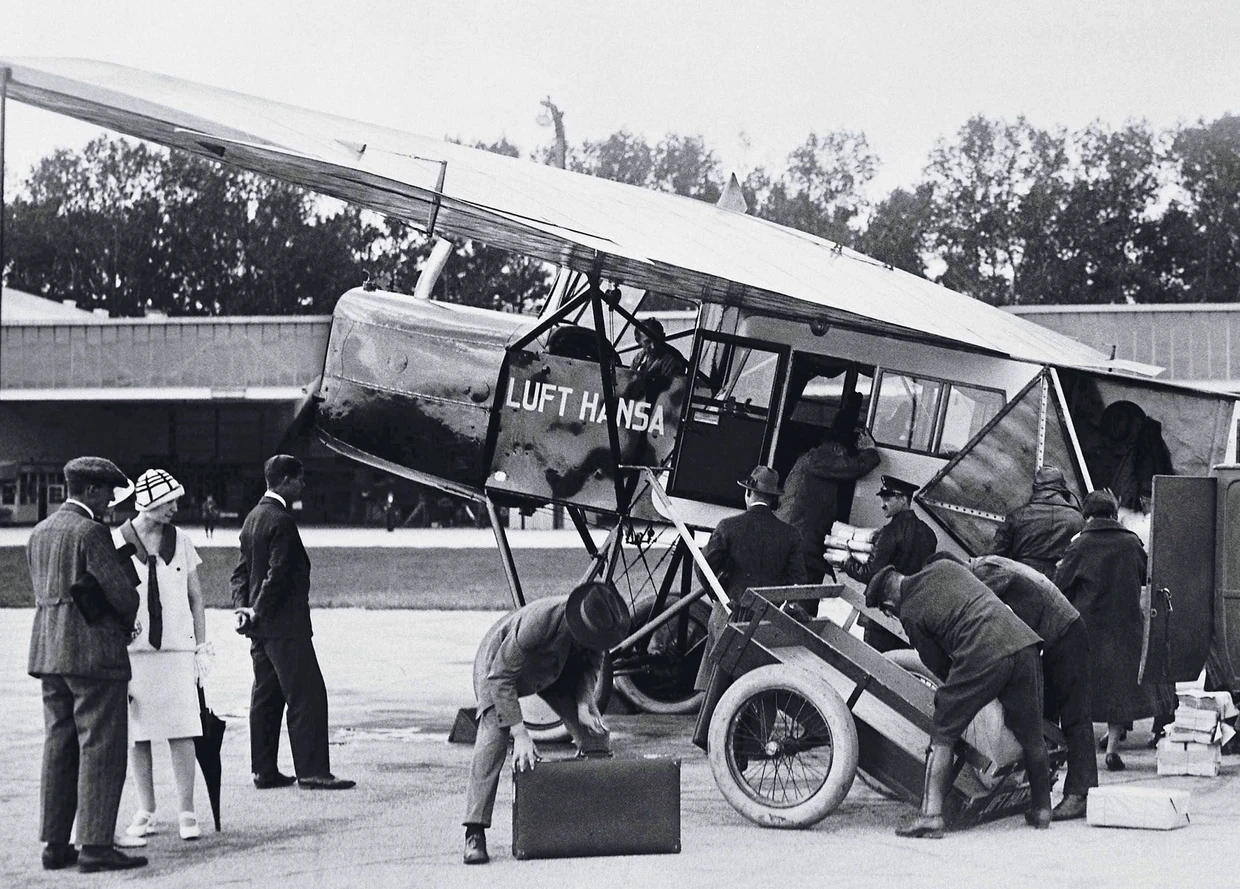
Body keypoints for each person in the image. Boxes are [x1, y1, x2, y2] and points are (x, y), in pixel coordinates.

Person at [865, 559, 1052, 838]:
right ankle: (1041, 809)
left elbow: (938, 665)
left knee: (943, 729)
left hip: (984, 651)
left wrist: (957, 696)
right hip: (1023, 642)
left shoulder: (911, 613)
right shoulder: (943, 567)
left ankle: (931, 816)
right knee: (1031, 732)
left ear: (888, 606)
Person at [27, 456, 148, 872]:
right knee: (100, 746)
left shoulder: (40, 532)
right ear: (91, 490)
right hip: (93, 653)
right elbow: (122, 596)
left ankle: (55, 844)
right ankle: (96, 846)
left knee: (59, 747)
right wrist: (127, 615)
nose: (111, 503)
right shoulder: (92, 532)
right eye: (108, 494)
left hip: (48, 650)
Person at [462, 581, 631, 865]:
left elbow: (591, 668)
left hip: (556, 674)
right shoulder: (539, 621)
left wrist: (582, 705)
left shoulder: (602, 626)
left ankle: (593, 821)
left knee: (595, 737)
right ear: (578, 624)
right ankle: (474, 832)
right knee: (493, 739)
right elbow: (501, 679)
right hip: (501, 674)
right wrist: (521, 735)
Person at [932, 551, 1096, 820]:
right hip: (1056, 633)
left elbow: (1026, 601)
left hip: (1065, 633)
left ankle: (1080, 794)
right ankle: (1041, 792)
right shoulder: (983, 568)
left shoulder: (984, 572)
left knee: (1074, 717)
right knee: (1043, 717)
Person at [231, 455, 354, 791]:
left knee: (267, 697)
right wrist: (257, 610)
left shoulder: (253, 518)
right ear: (285, 480)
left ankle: (264, 770)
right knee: (308, 695)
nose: (303, 484)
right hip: (284, 626)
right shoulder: (281, 521)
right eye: (300, 479)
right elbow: (279, 574)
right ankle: (313, 770)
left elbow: (241, 572)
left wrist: (243, 609)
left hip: (261, 629)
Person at [115, 469, 212, 842]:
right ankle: (147, 809)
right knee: (138, 734)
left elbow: (196, 597)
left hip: (175, 650)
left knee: (182, 730)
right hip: (134, 655)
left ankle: (187, 810)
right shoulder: (118, 541)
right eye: (169, 500)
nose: (176, 507)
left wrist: (201, 646)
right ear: (150, 503)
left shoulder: (182, 540)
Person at [1054, 489, 1175, 772]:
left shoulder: (1079, 546)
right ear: (1113, 513)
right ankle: (1111, 750)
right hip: (1125, 627)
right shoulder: (1130, 543)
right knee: (1118, 690)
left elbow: (1061, 585)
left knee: (1083, 689)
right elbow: (1149, 574)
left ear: (1087, 514)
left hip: (1087, 628)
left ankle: (1074, 750)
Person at [694, 465, 807, 691]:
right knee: (758, 687)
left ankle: (713, 724)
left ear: (748, 493)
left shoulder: (728, 527)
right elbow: (798, 580)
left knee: (717, 690)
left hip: (729, 612)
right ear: (773, 499)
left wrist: (716, 595)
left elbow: (704, 566)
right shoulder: (790, 534)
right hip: (765, 619)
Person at [776, 426, 880, 597]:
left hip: (794, 538)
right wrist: (870, 451)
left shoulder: (809, 459)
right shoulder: (819, 459)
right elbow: (853, 467)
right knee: (802, 602)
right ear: (838, 449)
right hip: (802, 543)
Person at [843, 474, 937, 652]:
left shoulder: (889, 533)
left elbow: (871, 574)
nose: (882, 504)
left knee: (875, 665)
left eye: (887, 499)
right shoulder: (929, 533)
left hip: (882, 614)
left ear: (903, 500)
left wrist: (847, 562)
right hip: (908, 616)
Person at [990, 466, 1084, 578]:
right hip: (1059, 585)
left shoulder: (1018, 515)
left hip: (1020, 581)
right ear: (1062, 488)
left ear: (1036, 488)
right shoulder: (1078, 519)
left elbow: (994, 555)